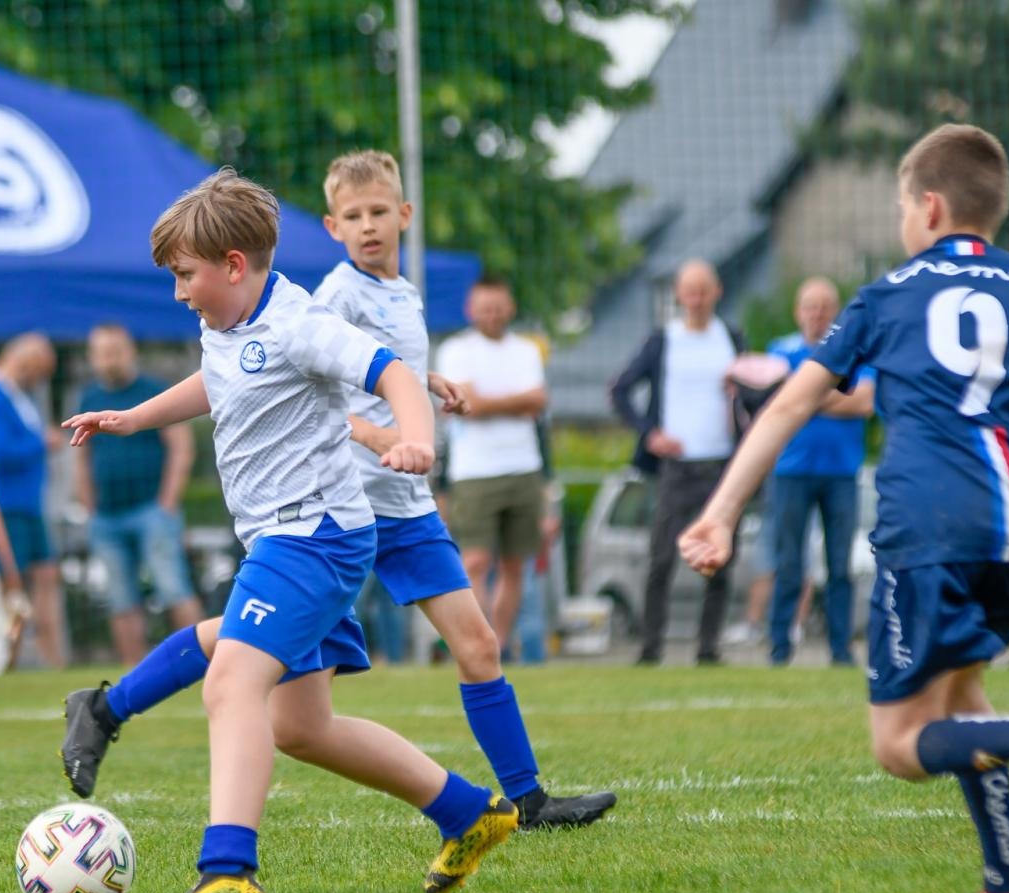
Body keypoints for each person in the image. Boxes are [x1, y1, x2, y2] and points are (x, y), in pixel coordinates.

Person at [58, 149, 614, 833]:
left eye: (379, 212)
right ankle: (114, 715)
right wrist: (387, 436)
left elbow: (371, 368)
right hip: (341, 501)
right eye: (353, 216)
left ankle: (520, 804)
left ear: (404, 215)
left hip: (390, 505)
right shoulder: (324, 299)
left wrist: (423, 386)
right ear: (332, 227)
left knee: (467, 647)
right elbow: (295, 380)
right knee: (265, 671)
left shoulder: (400, 295)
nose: (368, 226)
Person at [680, 124, 1009, 893]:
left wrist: (719, 513)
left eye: (900, 206)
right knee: (964, 697)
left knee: (898, 745)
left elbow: (789, 404)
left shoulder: (890, 294)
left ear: (928, 207)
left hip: (928, 523)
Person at [610, 260, 747, 665]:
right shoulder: (663, 340)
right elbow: (620, 390)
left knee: (719, 558)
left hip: (722, 465)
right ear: (679, 295)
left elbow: (752, 394)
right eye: (690, 291)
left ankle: (708, 647)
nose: (697, 299)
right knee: (662, 559)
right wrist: (649, 434)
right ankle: (651, 646)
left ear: (717, 292)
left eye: (704, 291)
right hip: (676, 466)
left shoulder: (731, 339)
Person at [74, 323, 203, 665]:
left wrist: (167, 502)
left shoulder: (154, 391)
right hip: (106, 514)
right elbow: (81, 457)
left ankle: (198, 661)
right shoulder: (88, 398)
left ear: (130, 351)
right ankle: (136, 673)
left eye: (115, 352)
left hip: (151, 509)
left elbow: (180, 447)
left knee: (172, 587)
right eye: (103, 353)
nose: (110, 360)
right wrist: (88, 505)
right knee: (120, 599)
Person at [434, 277, 549, 653]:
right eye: (485, 308)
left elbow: (538, 401)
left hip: (524, 469)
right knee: (476, 561)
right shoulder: (456, 350)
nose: (493, 315)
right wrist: (515, 402)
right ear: (471, 310)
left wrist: (487, 401)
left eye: (498, 307)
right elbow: (469, 406)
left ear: (510, 308)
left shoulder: (527, 350)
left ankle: (497, 645)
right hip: (474, 473)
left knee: (516, 566)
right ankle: (477, 642)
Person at [766, 277, 876, 666]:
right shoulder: (780, 351)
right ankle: (780, 646)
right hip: (791, 472)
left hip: (841, 473)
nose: (818, 314)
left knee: (839, 566)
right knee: (788, 563)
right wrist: (831, 397)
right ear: (799, 312)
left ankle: (840, 648)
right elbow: (775, 398)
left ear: (836, 312)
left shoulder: (855, 351)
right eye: (811, 307)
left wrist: (805, 396)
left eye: (825, 307)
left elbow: (864, 402)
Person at [0, 332, 66, 668]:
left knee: (46, 576)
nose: (39, 381)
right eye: (39, 372)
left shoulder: (15, 395)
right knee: (10, 586)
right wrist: (41, 443)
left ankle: (52, 659)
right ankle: (5, 659)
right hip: (4, 508)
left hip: (28, 506)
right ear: (26, 363)